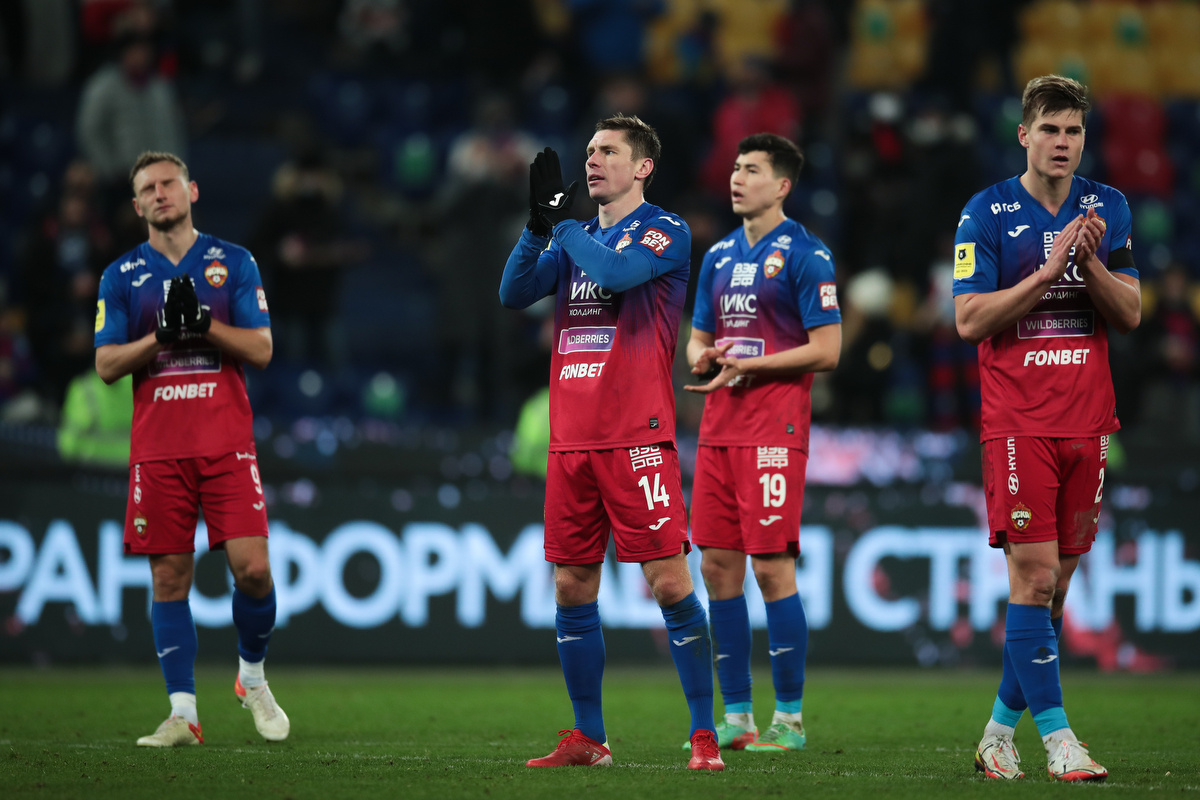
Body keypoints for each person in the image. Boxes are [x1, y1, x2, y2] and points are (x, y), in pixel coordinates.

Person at [499, 114, 723, 771]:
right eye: (590, 151)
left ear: (643, 166)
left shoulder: (665, 230)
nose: (592, 160)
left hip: (635, 436)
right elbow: (514, 292)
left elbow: (620, 275)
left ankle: (704, 735)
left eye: (609, 152)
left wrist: (563, 227)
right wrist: (537, 227)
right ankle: (589, 737)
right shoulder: (576, 238)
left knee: (668, 581)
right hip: (571, 441)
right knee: (571, 584)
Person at [953, 75, 1140, 782]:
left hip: (1088, 420)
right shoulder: (986, 211)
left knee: (1053, 590)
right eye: (1050, 129)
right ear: (1024, 134)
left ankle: (997, 736)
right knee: (1032, 578)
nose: (1062, 142)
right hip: (1017, 422)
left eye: (1074, 131)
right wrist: (1047, 270)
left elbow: (1130, 313)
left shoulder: (1108, 207)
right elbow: (969, 319)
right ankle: (1062, 742)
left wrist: (1087, 262)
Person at [94, 151, 288, 747]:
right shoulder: (121, 276)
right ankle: (183, 714)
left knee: (254, 570)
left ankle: (251, 678)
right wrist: (161, 336)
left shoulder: (234, 262)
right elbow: (106, 364)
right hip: (159, 449)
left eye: (168, 183)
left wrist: (203, 325)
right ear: (136, 205)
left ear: (192, 190)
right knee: (170, 578)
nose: (160, 194)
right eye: (147, 189)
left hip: (226, 442)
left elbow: (261, 349)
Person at [683, 132, 841, 753]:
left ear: (782, 186)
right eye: (735, 167)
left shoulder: (808, 255)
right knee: (717, 567)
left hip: (774, 429)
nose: (737, 178)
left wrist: (753, 365)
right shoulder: (719, 255)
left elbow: (827, 350)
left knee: (772, 568)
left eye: (751, 169)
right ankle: (739, 716)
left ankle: (791, 721)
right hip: (719, 429)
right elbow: (698, 337)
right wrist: (702, 358)